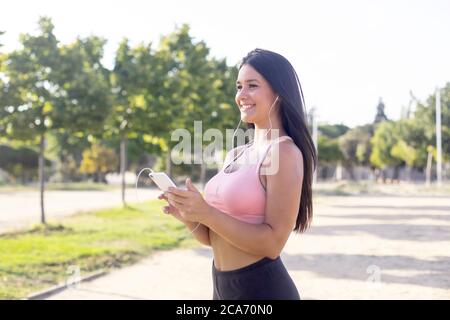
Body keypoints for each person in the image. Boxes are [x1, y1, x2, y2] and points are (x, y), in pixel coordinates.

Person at [158, 48, 317, 300]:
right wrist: (190, 215)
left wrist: (207, 212)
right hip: (222, 286)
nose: (241, 95)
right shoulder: (236, 153)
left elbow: (272, 244)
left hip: (261, 290)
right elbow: (212, 238)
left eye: (252, 86)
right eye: (238, 86)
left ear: (279, 92)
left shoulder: (284, 152)